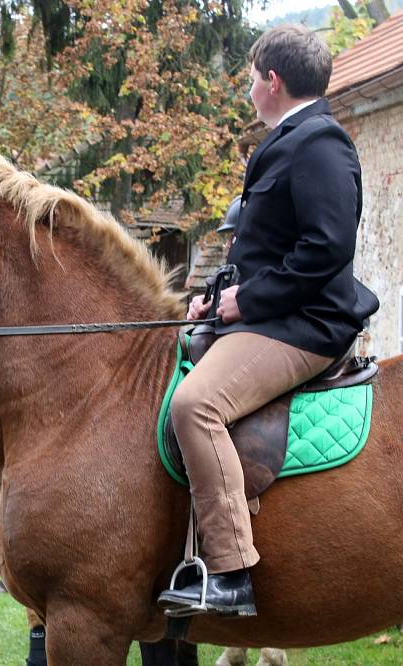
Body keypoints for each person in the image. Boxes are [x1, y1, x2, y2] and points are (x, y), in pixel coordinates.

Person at [158, 25, 379, 617]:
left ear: (272, 81)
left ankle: (231, 574)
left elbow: (325, 249)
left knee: (194, 406)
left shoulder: (321, 144)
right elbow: (262, 252)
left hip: (305, 327)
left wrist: (247, 302)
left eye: (252, 80)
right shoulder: (289, 141)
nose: (250, 90)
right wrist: (215, 296)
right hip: (270, 316)